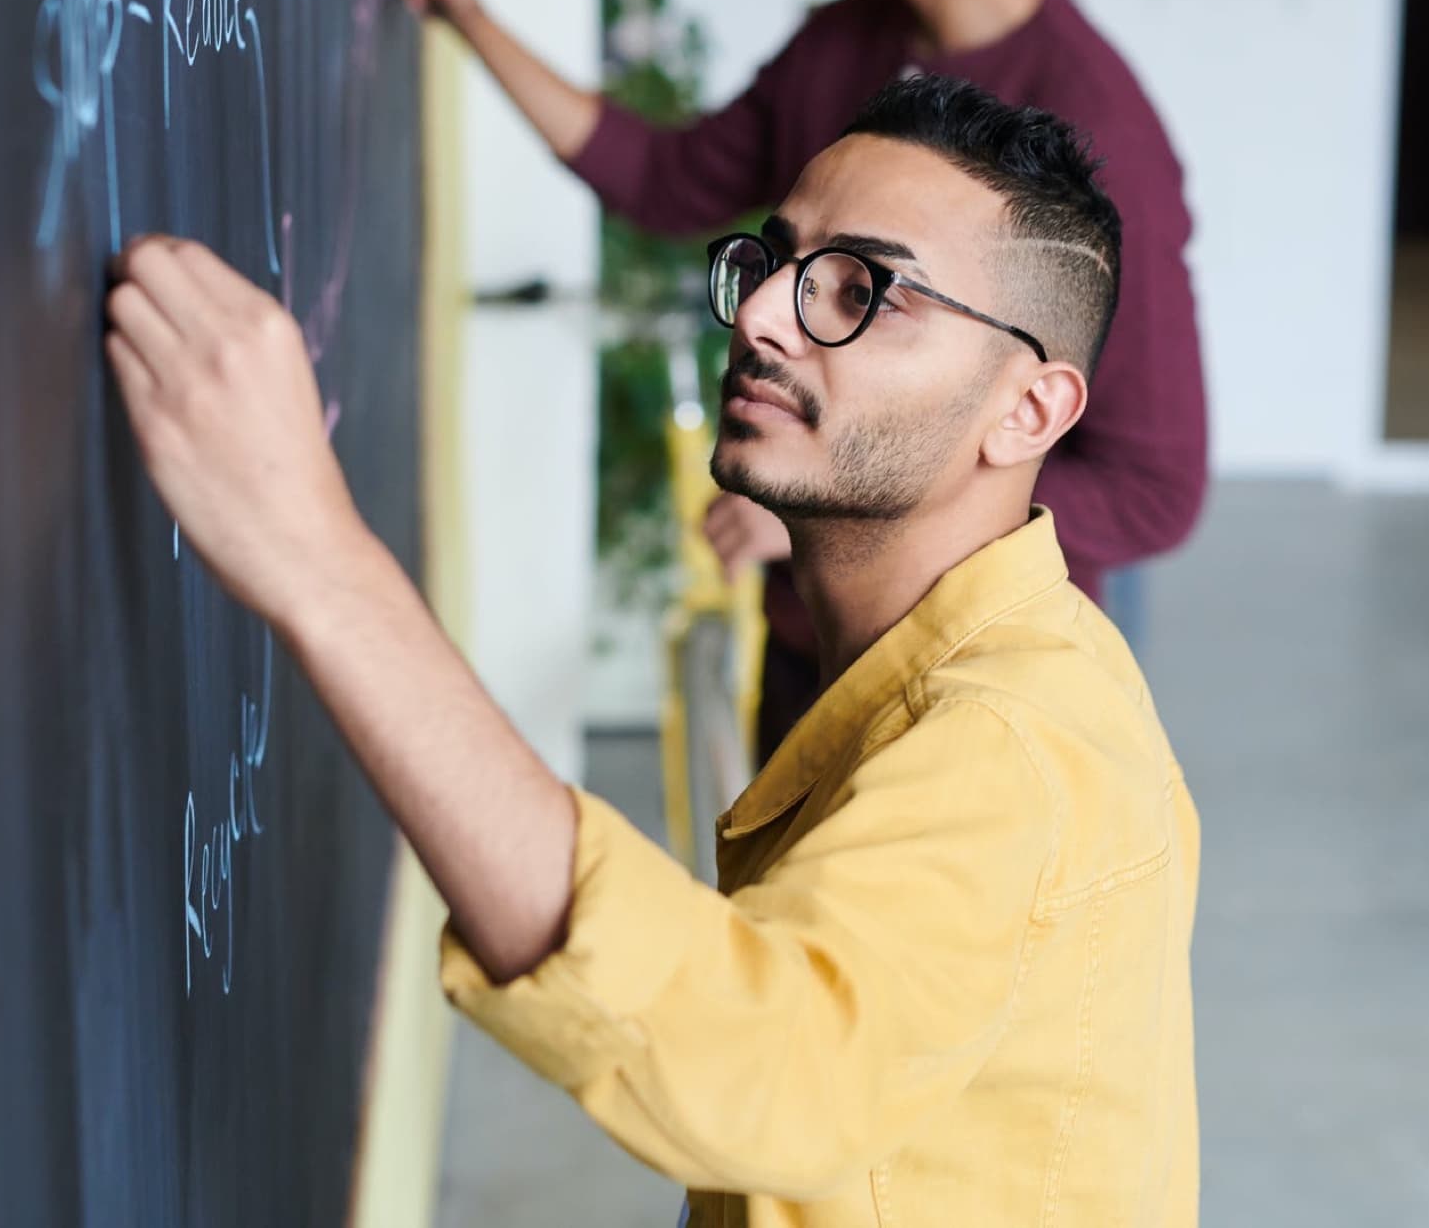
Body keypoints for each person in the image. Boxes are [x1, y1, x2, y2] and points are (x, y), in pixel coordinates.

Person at [104, 76, 1199, 1226]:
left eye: (861, 290)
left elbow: (764, 1062)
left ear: (1027, 411)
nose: (765, 316)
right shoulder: (992, 658)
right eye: (774, 264)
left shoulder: (1008, 749)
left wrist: (318, 560)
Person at [400, 0, 1207, 759]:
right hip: (807, 655)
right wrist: (466, 15)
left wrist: (831, 495)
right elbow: (667, 179)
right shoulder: (839, 48)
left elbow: (1153, 490)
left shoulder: (1101, 127)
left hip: (961, 694)